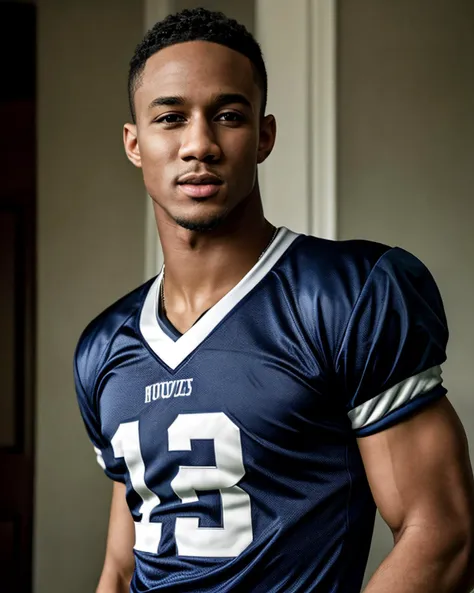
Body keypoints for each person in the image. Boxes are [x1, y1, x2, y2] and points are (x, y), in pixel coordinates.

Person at [74, 8, 474, 593]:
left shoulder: (349, 294)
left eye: (228, 116)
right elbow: (122, 563)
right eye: (171, 118)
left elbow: (443, 534)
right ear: (135, 144)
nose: (199, 145)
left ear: (264, 136)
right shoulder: (105, 346)